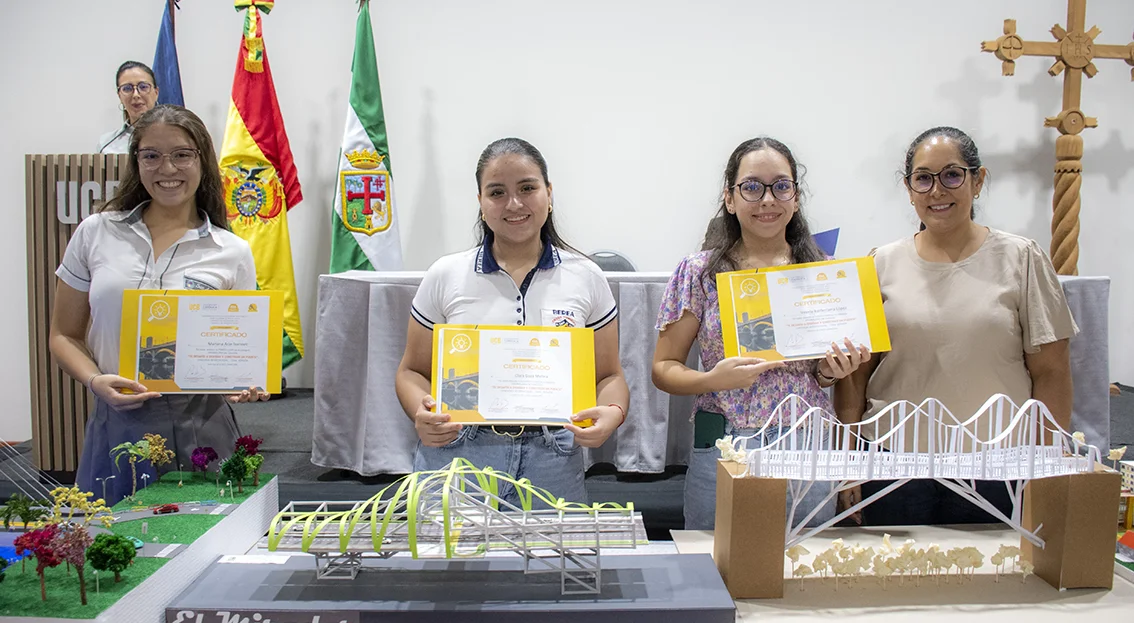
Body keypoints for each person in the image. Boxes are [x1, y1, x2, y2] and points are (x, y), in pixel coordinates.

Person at [834, 126, 1077, 526]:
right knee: (893, 583)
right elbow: (856, 377)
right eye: (923, 178)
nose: (936, 190)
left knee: (993, 584)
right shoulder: (880, 264)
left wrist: (1045, 467)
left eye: (952, 175)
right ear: (909, 189)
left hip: (996, 468)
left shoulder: (1022, 259)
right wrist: (847, 461)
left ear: (978, 180)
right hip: (895, 466)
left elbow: (1052, 372)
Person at [395, 137, 629, 506]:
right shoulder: (446, 274)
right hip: (460, 453)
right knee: (450, 563)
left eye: (527, 188)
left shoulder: (587, 276)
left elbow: (610, 376)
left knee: (555, 563)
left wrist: (612, 414)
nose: (514, 203)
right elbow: (411, 371)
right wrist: (420, 412)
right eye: (497, 192)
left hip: (553, 455)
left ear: (549, 194)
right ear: (481, 203)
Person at [52, 105, 266, 505]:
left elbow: (243, 346)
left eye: (182, 154)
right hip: (119, 421)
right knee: (114, 543)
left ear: (202, 160)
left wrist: (245, 381)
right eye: (151, 155)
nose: (167, 168)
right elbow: (63, 334)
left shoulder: (231, 251)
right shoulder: (96, 232)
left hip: (202, 424)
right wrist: (96, 382)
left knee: (208, 544)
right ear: (137, 162)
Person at [652, 137, 870, 530]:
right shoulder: (699, 273)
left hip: (806, 445)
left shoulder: (826, 273)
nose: (767, 199)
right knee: (714, 566)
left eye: (780, 186)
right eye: (752, 187)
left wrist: (830, 373)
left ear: (796, 197)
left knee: (800, 570)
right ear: (730, 198)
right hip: (724, 442)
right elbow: (663, 368)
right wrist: (711, 379)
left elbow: (817, 377)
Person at [97, 61, 160, 154]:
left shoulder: (175, 137)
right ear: (119, 96)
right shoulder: (106, 144)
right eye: (127, 89)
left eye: (143, 87)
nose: (136, 95)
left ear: (156, 92)